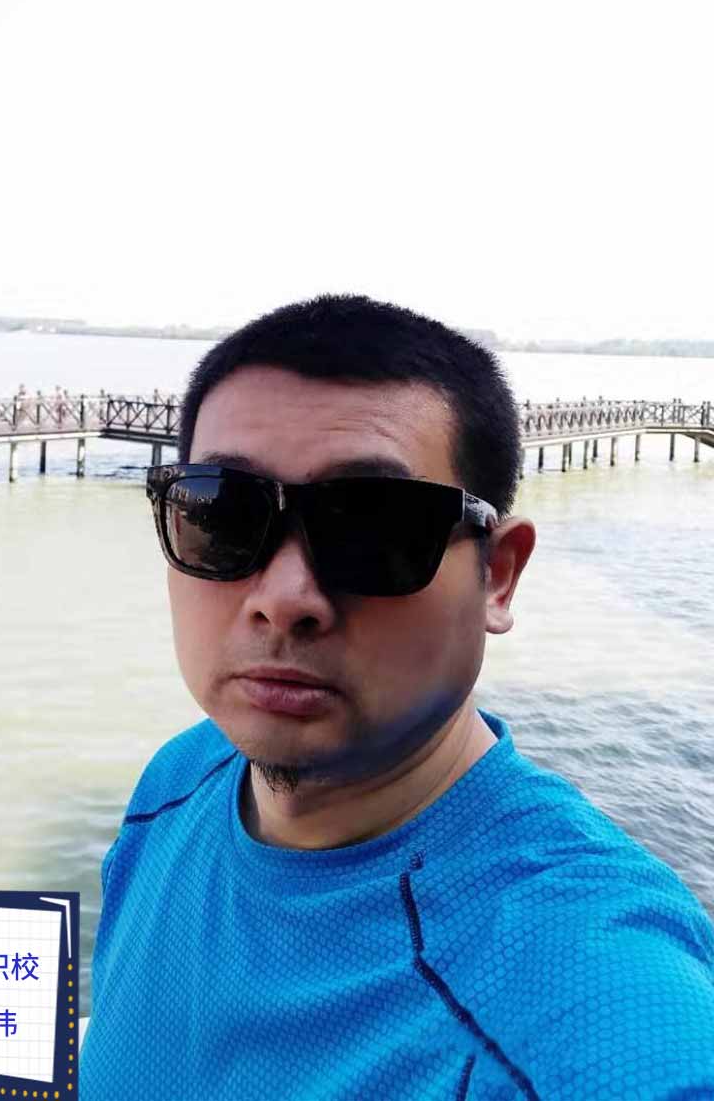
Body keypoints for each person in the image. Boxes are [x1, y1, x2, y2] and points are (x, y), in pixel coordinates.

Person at [80, 295, 714, 1100]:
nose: (283, 597)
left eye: (373, 530)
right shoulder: (179, 783)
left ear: (498, 575)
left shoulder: (590, 1014)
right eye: (220, 511)